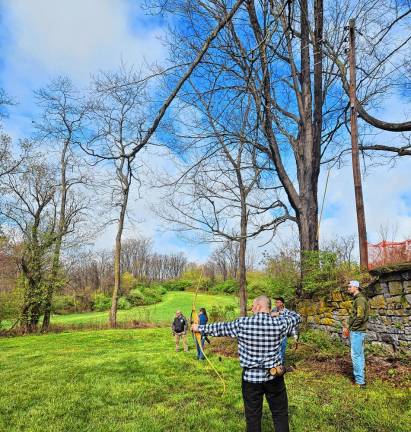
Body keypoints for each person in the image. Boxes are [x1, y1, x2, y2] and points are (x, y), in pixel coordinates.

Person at [192, 295, 300, 432]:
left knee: (253, 417)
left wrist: (198, 327)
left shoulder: (242, 323)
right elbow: (297, 317)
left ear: (259, 306)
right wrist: (280, 311)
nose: (252, 309)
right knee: (280, 414)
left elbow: (219, 328)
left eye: (253, 306)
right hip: (274, 377)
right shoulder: (279, 323)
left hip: (251, 380)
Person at [343, 280, 369, 388]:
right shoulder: (357, 299)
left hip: (357, 332)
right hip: (357, 331)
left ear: (356, 287)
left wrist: (352, 328)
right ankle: (361, 378)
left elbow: (360, 317)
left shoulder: (360, 300)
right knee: (359, 355)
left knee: (356, 356)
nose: (348, 288)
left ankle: (360, 382)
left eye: (350, 286)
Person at [271, 297, 298, 365]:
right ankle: (273, 364)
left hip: (283, 334)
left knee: (282, 350)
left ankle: (280, 366)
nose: (276, 303)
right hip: (273, 334)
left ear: (282, 303)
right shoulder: (273, 310)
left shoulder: (287, 312)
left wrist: (295, 336)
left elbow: (292, 324)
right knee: (273, 350)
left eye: (278, 302)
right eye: (276, 302)